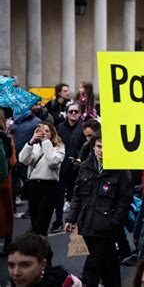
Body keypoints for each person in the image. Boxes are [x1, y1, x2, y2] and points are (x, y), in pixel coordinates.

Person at [65, 132, 132, 287]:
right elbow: (77, 195)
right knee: (109, 264)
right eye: (99, 146)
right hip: (87, 224)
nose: (102, 150)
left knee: (93, 266)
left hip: (106, 227)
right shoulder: (85, 167)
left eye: (106, 147)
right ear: (93, 147)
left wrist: (114, 222)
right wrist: (71, 218)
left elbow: (124, 200)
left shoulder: (121, 170)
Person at [19, 123, 65, 239]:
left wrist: (45, 142)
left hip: (49, 187)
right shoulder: (35, 146)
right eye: (41, 130)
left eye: (47, 131)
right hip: (34, 186)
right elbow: (23, 160)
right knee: (35, 223)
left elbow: (53, 161)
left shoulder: (59, 147)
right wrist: (31, 141)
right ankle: (37, 251)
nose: (43, 133)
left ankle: (45, 253)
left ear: (52, 133)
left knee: (42, 224)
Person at [51, 102, 86, 233]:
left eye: (76, 111)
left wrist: (80, 159)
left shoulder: (83, 128)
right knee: (59, 194)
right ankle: (58, 220)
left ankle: (75, 221)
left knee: (77, 196)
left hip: (78, 167)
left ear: (80, 113)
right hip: (62, 166)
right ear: (66, 113)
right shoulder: (60, 127)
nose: (73, 114)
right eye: (70, 111)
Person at [7, 232, 81, 287]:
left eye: (25, 265)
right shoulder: (21, 279)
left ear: (42, 264)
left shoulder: (64, 282)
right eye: (11, 265)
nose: (16, 273)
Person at [0, 110, 16, 256]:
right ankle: (7, 243)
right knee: (6, 211)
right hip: (5, 181)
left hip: (3, 180)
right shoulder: (7, 137)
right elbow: (13, 161)